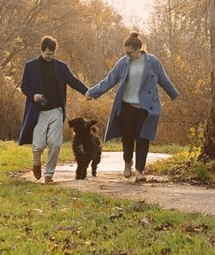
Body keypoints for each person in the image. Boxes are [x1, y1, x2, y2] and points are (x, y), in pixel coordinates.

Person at [85, 31, 179, 181]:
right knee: (128, 137)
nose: (127, 55)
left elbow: (163, 79)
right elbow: (110, 79)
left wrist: (174, 95)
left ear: (138, 49)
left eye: (130, 53)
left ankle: (140, 171)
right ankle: (128, 163)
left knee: (143, 139)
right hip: (127, 106)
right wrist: (93, 92)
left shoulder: (152, 61)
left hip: (146, 107)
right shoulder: (123, 62)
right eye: (126, 53)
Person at [16, 36, 86, 182]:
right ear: (42, 50)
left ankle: (49, 174)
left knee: (55, 143)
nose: (50, 57)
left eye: (53, 54)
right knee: (39, 144)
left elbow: (73, 81)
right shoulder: (30, 66)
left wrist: (86, 92)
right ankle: (36, 162)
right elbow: (24, 86)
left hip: (57, 110)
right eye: (48, 54)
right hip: (38, 111)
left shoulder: (61, 67)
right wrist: (33, 95)